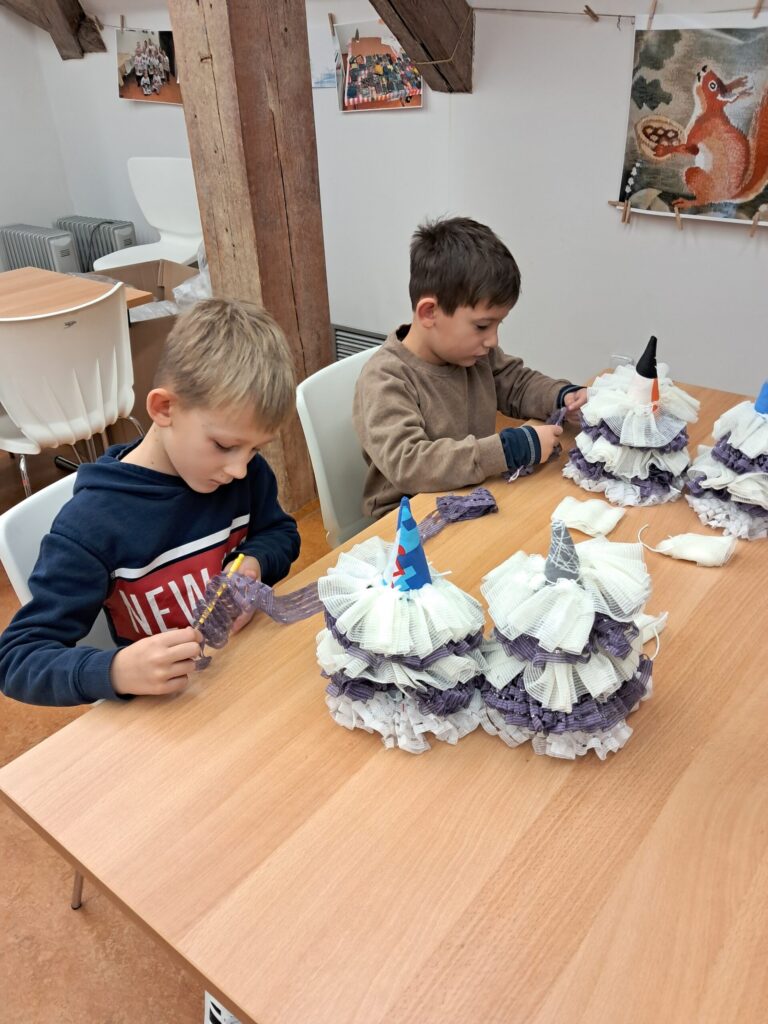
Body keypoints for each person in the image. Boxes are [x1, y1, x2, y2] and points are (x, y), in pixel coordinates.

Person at [0, 298, 300, 708]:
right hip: (167, 712)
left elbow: (280, 532)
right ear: (164, 408)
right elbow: (17, 659)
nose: (239, 469)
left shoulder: (245, 473)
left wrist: (255, 562)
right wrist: (115, 670)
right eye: (224, 445)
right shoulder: (92, 525)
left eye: (254, 450)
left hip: (244, 679)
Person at [352, 216, 588, 519]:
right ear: (429, 312)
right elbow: (409, 464)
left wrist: (562, 397)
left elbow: (516, 383)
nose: (493, 340)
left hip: (470, 495)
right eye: (482, 326)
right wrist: (508, 449)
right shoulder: (384, 378)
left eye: (498, 325)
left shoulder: (474, 355)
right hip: (407, 521)